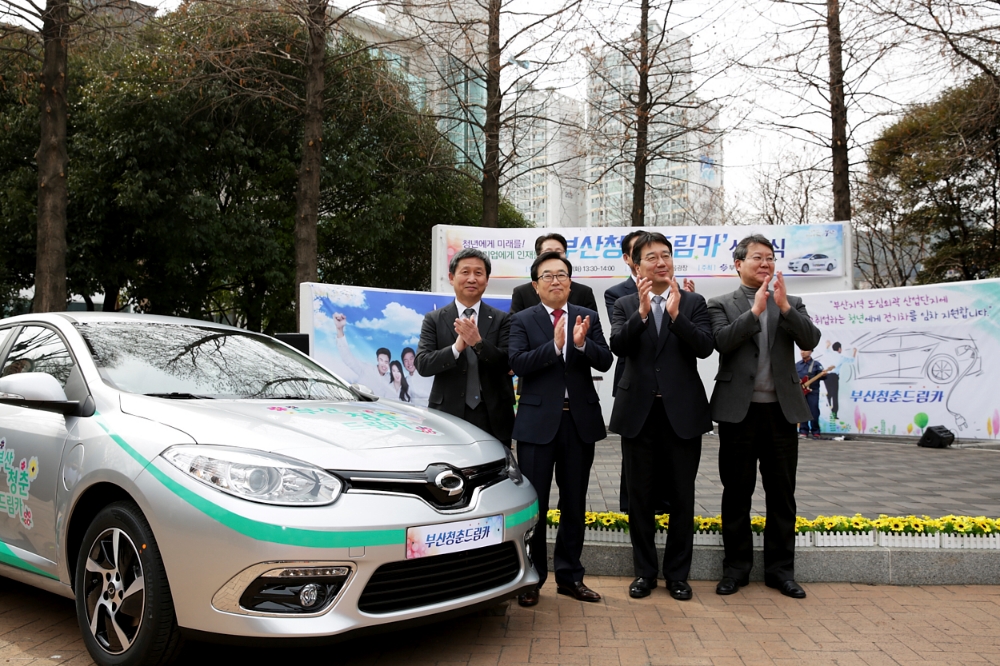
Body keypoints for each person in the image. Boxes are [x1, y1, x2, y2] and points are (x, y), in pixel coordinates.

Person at [707, 234, 821, 600]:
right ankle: (736, 570)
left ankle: (780, 572)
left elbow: (811, 339)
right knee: (736, 493)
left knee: (782, 494)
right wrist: (754, 311)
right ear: (738, 264)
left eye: (770, 258)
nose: (765, 264)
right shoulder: (721, 303)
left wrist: (784, 307)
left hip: (782, 412)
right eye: (757, 258)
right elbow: (722, 342)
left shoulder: (792, 302)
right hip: (738, 413)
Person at [609, 232, 715, 601]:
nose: (660, 262)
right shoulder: (623, 303)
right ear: (636, 265)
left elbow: (704, 347)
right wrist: (641, 313)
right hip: (639, 413)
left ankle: (677, 575)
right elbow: (617, 346)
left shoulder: (693, 302)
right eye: (651, 257)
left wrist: (675, 316)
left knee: (683, 498)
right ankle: (644, 573)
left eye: (666, 255)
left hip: (682, 413)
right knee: (640, 498)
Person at [509, 251, 613, 608]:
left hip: (579, 422)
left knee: (575, 502)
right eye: (548, 276)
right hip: (537, 425)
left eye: (562, 275)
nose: (556, 281)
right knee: (534, 505)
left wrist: (581, 343)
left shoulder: (588, 316)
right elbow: (517, 362)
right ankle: (532, 577)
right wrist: (554, 346)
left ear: (571, 282)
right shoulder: (522, 319)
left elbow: (605, 359)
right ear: (536, 285)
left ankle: (571, 577)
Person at [415, 248, 516, 445]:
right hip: (448, 415)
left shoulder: (502, 319)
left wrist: (478, 343)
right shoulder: (434, 319)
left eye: (478, 273)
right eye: (465, 272)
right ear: (452, 277)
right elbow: (423, 364)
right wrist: (456, 349)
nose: (472, 279)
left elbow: (508, 362)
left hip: (493, 415)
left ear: (486, 280)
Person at [510, 233, 599, 314]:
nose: (553, 255)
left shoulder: (584, 292)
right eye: (548, 252)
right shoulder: (522, 293)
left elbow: (592, 326)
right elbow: (515, 327)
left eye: (558, 252)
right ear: (538, 257)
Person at [332, 315, 396, 399]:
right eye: (381, 360)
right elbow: (347, 357)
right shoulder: (366, 369)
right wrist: (340, 330)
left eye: (386, 361)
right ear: (377, 360)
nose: (384, 364)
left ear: (389, 363)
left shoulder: (391, 379)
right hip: (362, 407)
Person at [822, 342, 856, 420]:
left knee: (829, 393)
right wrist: (854, 352)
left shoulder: (828, 354)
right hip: (834, 376)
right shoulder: (841, 357)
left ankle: (828, 403)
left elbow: (826, 350)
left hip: (826, 376)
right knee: (835, 395)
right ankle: (834, 413)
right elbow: (851, 360)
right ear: (839, 349)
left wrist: (827, 345)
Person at [796, 349, 824, 438]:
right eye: (801, 350)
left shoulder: (816, 364)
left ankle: (816, 431)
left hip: (813, 391)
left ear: (811, 351)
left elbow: (823, 377)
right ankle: (803, 431)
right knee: (802, 411)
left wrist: (824, 375)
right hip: (801, 391)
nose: (802, 352)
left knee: (814, 411)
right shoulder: (797, 365)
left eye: (805, 350)